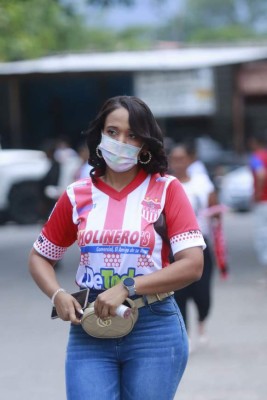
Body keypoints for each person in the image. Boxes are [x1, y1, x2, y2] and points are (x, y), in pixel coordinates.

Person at [28, 95, 205, 400]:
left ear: (145, 144)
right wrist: (56, 294)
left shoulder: (166, 190)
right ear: (99, 135)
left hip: (155, 327)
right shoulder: (77, 195)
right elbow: (40, 257)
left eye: (132, 134)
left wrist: (127, 286)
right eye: (113, 132)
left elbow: (192, 265)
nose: (121, 141)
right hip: (90, 325)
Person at [168, 143, 227, 349]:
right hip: (174, 248)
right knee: (179, 294)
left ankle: (202, 320)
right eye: (173, 159)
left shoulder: (201, 182)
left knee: (203, 295)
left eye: (181, 158)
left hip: (200, 244)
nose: (177, 163)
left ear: (190, 159)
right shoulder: (165, 184)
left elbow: (215, 207)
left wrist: (215, 213)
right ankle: (186, 336)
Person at [247, 131, 267, 274]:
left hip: (263, 201)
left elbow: (261, 174)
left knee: (262, 232)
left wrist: (257, 193)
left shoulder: (256, 157)